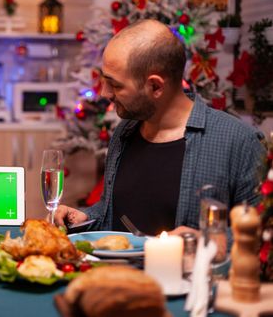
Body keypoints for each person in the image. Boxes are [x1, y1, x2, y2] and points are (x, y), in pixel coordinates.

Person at [54, 19, 266, 236]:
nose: (104, 93)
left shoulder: (240, 142)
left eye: (115, 85)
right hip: (115, 271)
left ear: (155, 86)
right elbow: (116, 211)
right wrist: (88, 217)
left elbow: (262, 235)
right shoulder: (125, 132)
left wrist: (201, 241)